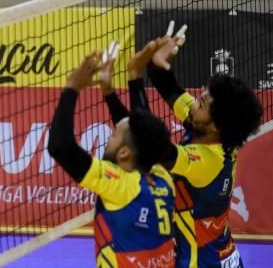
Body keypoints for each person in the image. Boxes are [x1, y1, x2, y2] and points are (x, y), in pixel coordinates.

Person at [129, 24, 263, 267]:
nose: (192, 105)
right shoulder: (212, 131)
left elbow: (151, 144)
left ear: (216, 126)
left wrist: (135, 76)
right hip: (225, 255)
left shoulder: (205, 161)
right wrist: (157, 63)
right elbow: (170, 88)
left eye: (200, 104)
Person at [47, 49, 177, 267]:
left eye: (114, 135)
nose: (109, 137)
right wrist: (108, 92)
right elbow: (139, 132)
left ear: (125, 153)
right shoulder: (162, 176)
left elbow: (60, 146)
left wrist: (72, 86)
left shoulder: (120, 186)